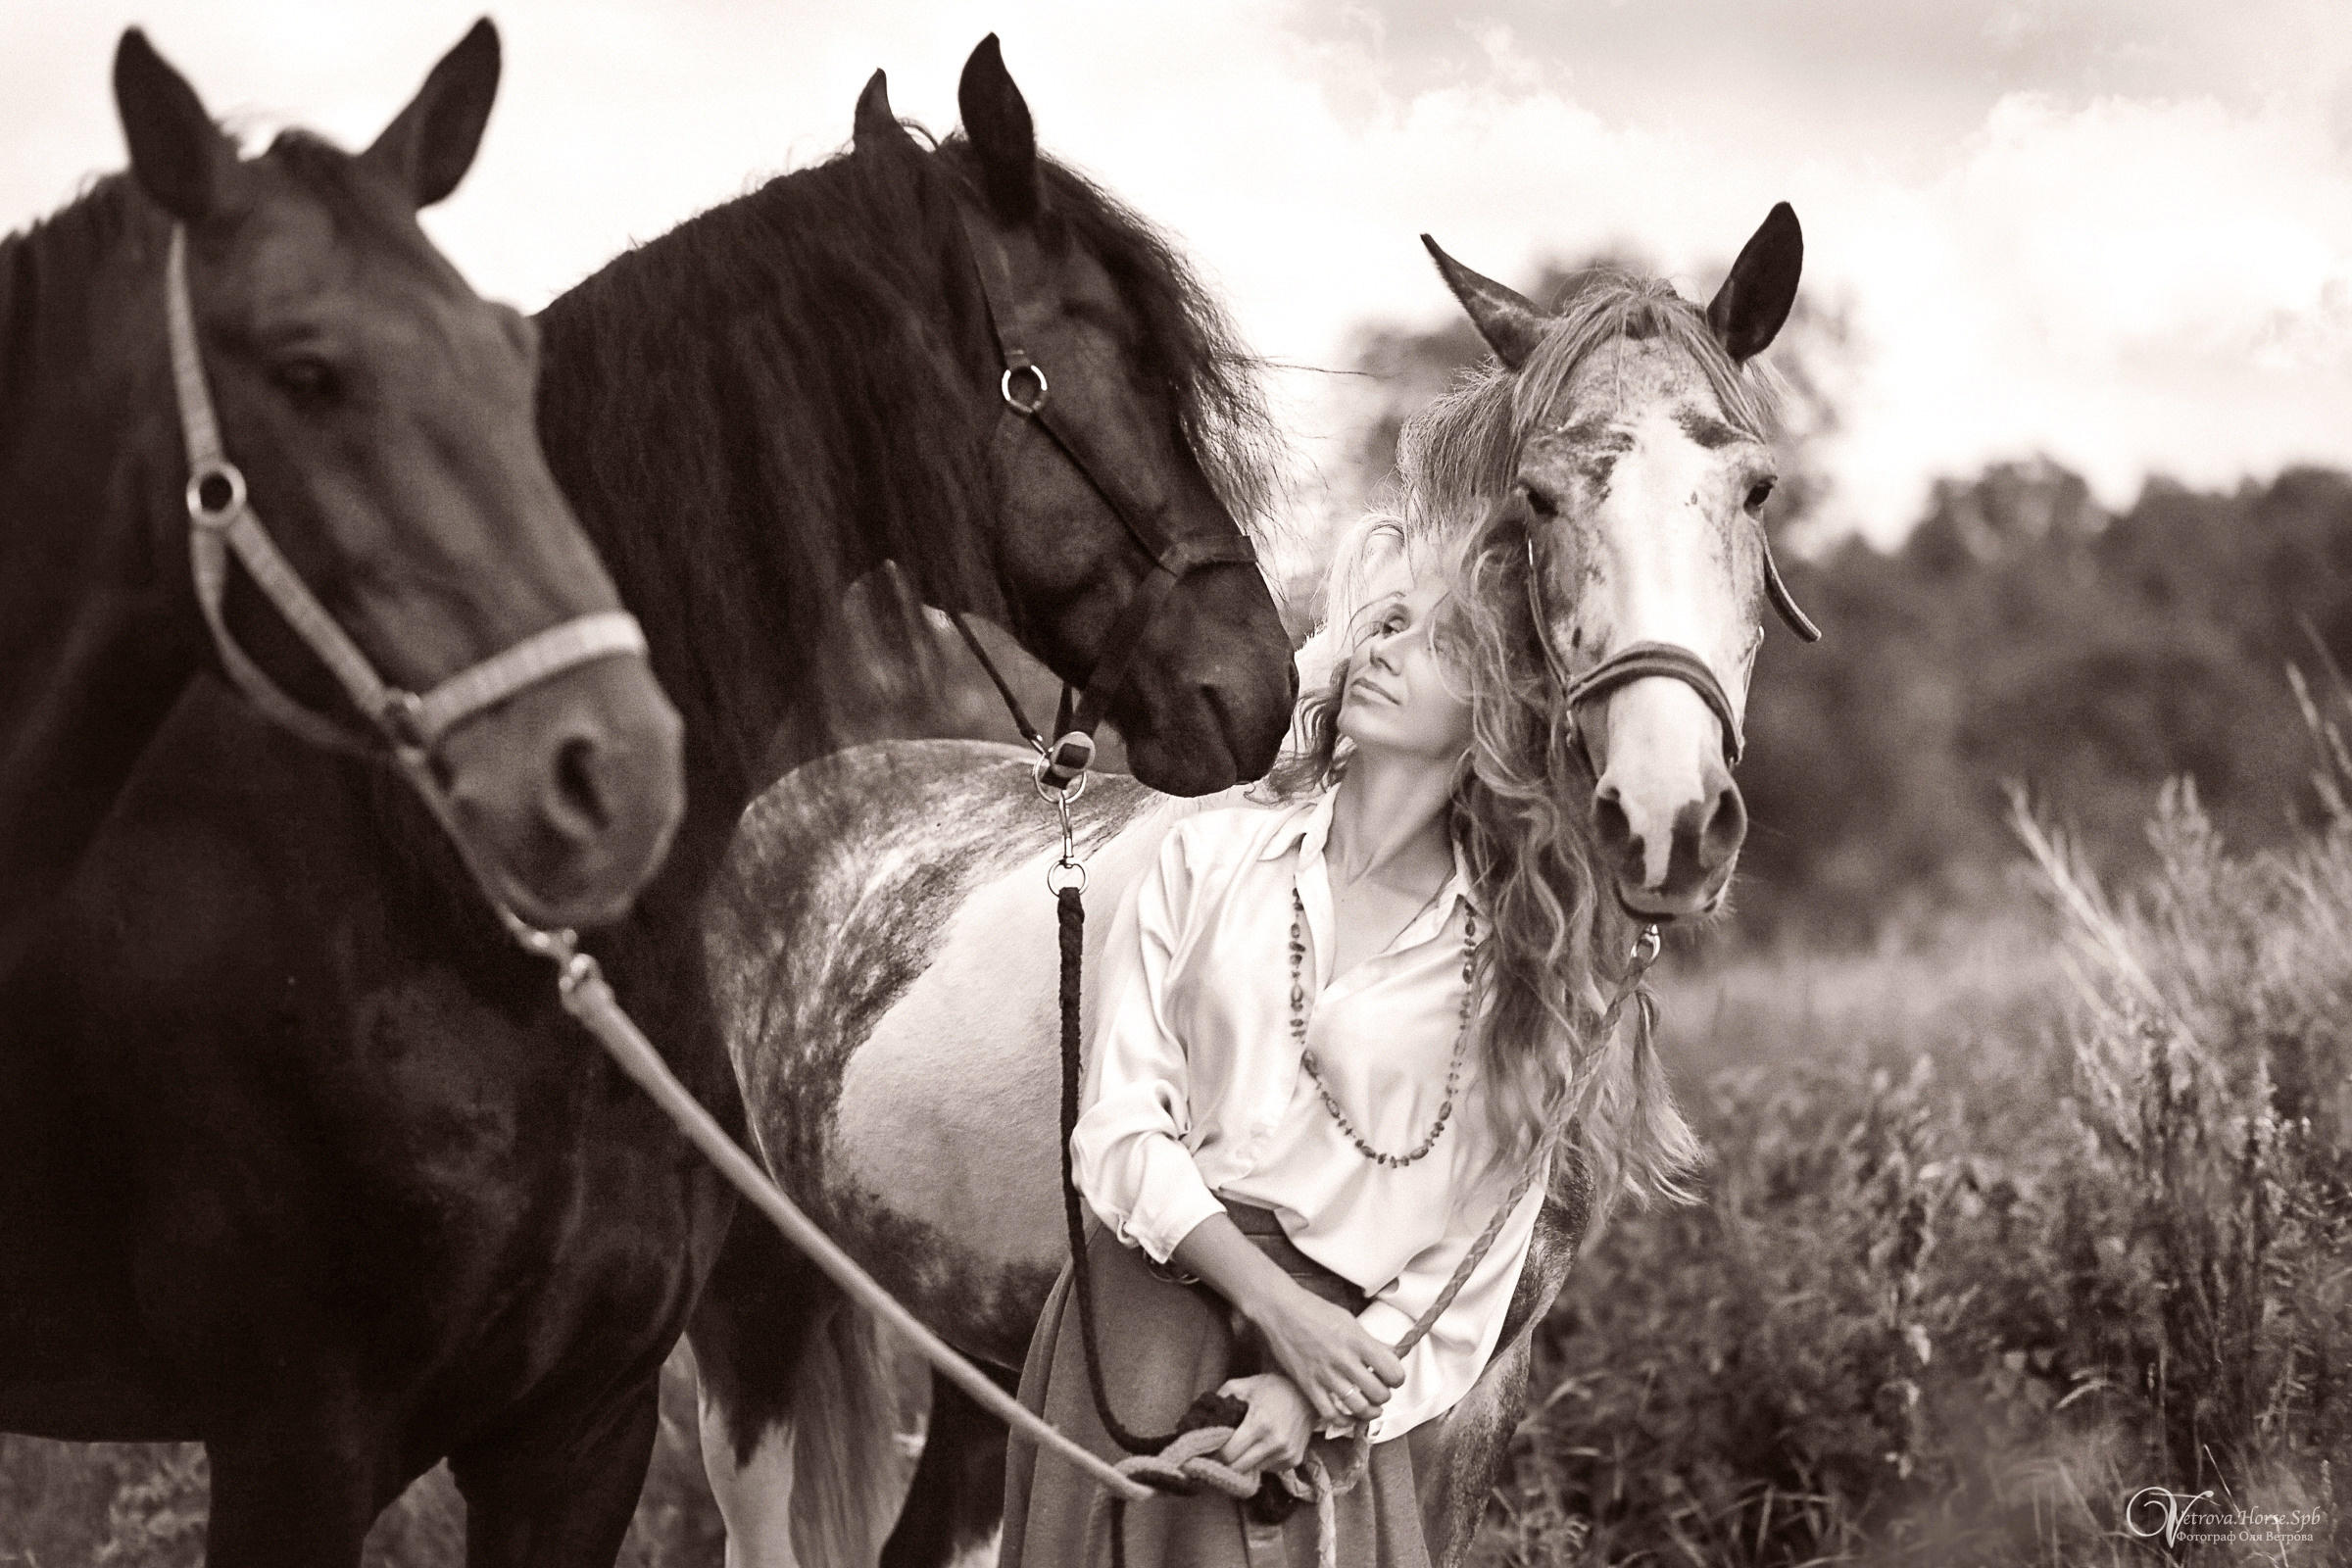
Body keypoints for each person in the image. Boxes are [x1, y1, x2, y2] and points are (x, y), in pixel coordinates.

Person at [1001, 513, 1703, 1568]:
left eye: (1440, 639)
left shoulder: (1520, 972)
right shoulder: (1209, 855)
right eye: (1386, 621)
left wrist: (1315, 1395)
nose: (1383, 646)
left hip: (1323, 1395)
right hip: (1135, 1333)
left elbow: (1466, 1270)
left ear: (1503, 710)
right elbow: (1118, 1132)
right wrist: (1276, 1306)